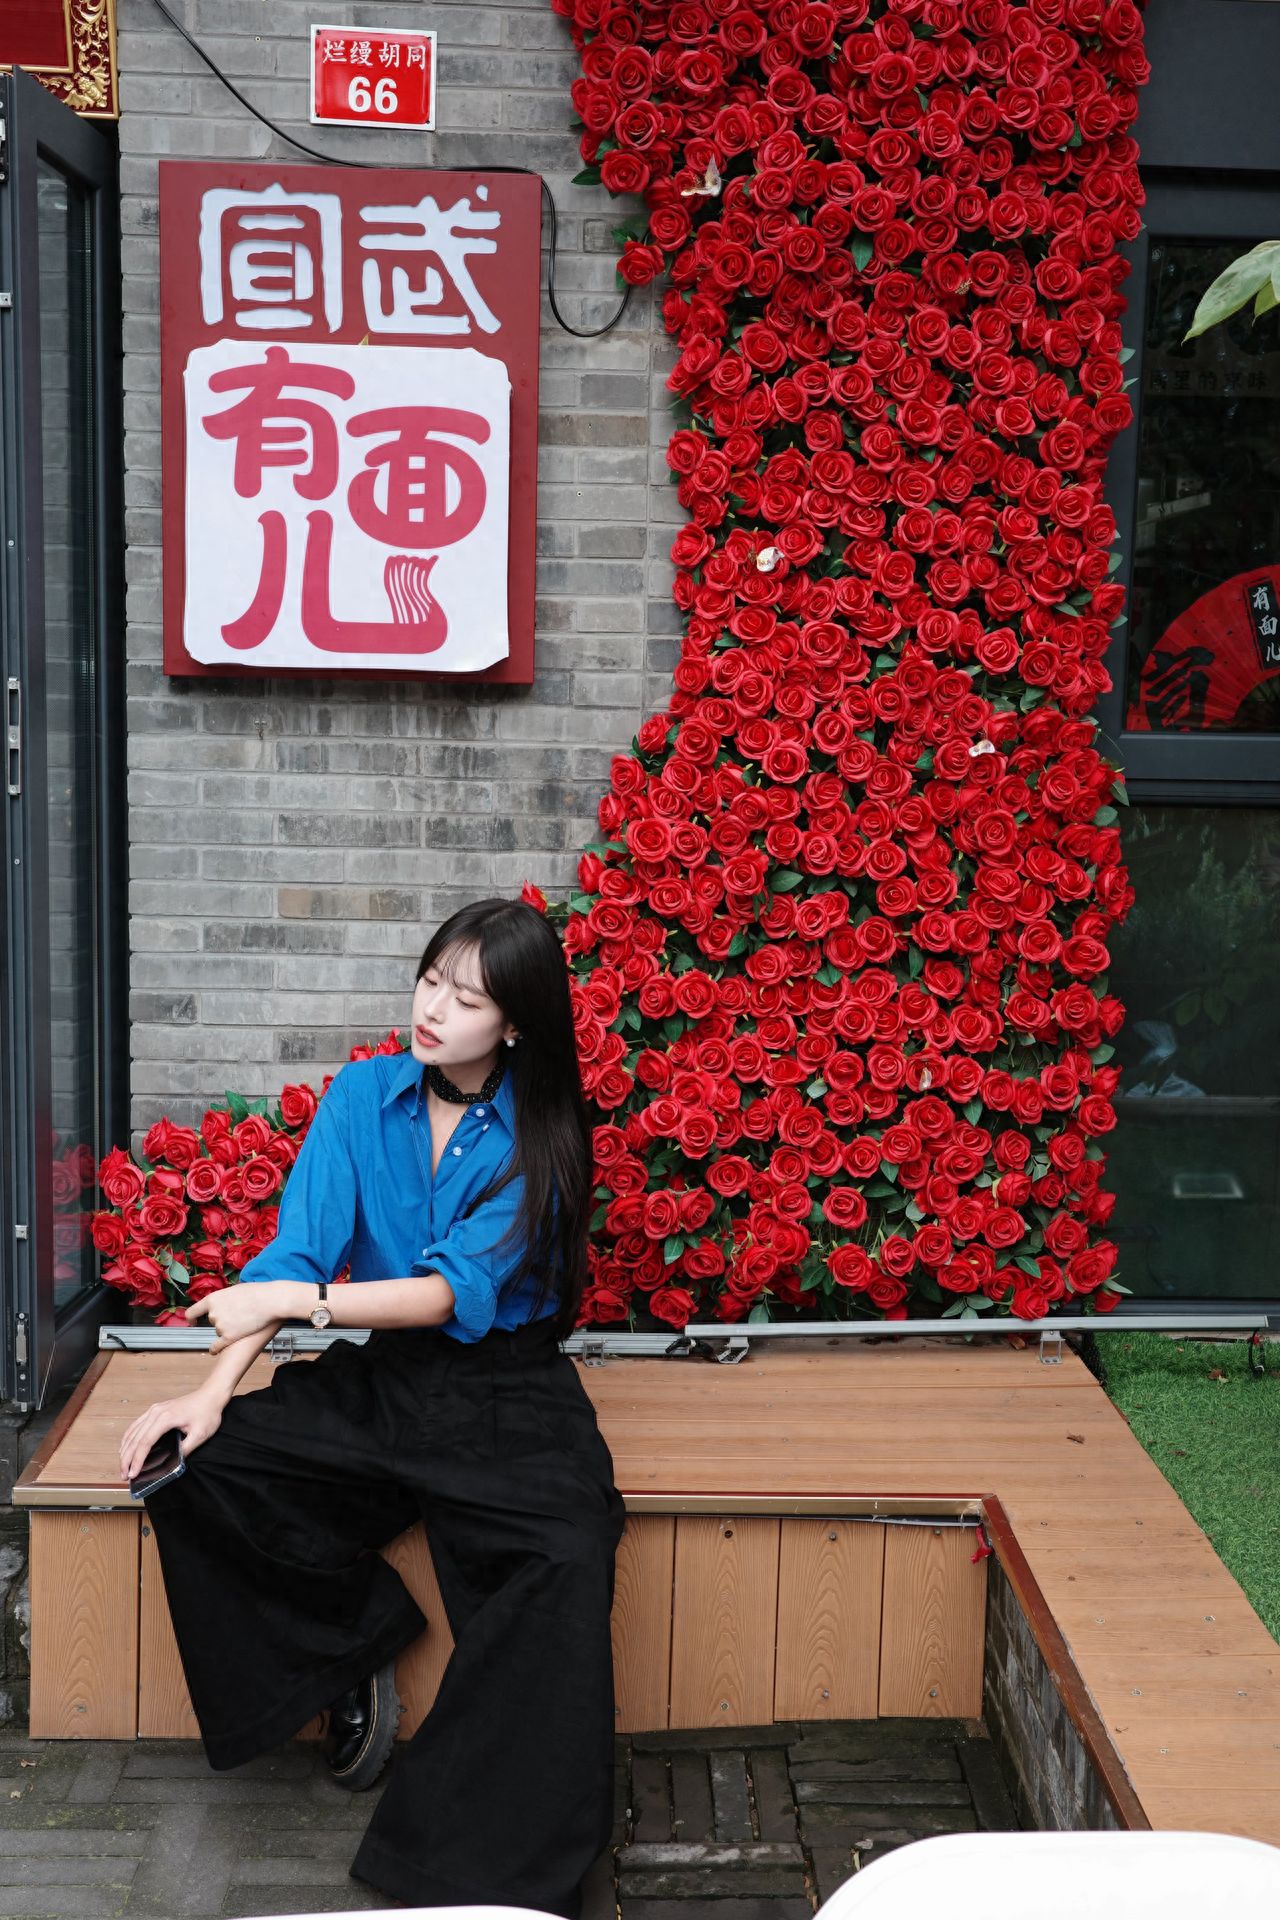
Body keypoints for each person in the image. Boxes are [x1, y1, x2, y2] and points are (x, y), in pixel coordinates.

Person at [117, 898, 627, 1919]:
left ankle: (476, 1868)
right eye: (429, 978)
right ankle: (349, 1657)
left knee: (568, 1554)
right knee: (195, 1468)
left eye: (467, 997)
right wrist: (211, 1392)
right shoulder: (362, 1097)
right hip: (389, 1376)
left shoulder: (542, 1132)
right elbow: (296, 1255)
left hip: (505, 1387)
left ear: (515, 1022)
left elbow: (446, 1293)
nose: (432, 1009)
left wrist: (292, 1302)